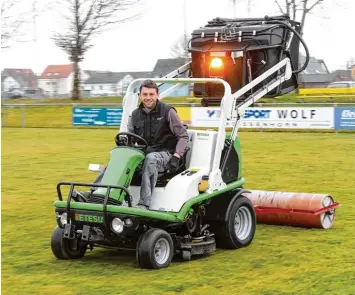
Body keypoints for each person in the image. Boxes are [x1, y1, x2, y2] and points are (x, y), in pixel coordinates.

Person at [127, 79, 189, 210]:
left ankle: (144, 203)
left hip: (165, 154)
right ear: (140, 96)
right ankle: (97, 192)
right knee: (118, 157)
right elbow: (130, 138)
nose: (148, 98)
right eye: (145, 94)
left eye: (151, 94)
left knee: (151, 159)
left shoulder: (168, 112)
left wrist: (176, 156)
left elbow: (183, 136)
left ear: (157, 95)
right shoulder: (135, 115)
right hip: (144, 152)